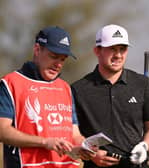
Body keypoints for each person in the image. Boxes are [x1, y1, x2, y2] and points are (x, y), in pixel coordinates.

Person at [0, 26, 96, 168]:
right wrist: (45, 142)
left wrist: (83, 146)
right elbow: (2, 131)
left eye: (63, 59)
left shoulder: (65, 88)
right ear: (37, 50)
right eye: (54, 56)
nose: (58, 64)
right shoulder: (10, 83)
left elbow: (74, 133)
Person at [71, 24, 149, 168]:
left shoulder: (142, 84)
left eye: (122, 49)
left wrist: (144, 146)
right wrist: (91, 154)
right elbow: (73, 134)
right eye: (112, 49)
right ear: (97, 51)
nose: (118, 55)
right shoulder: (78, 89)